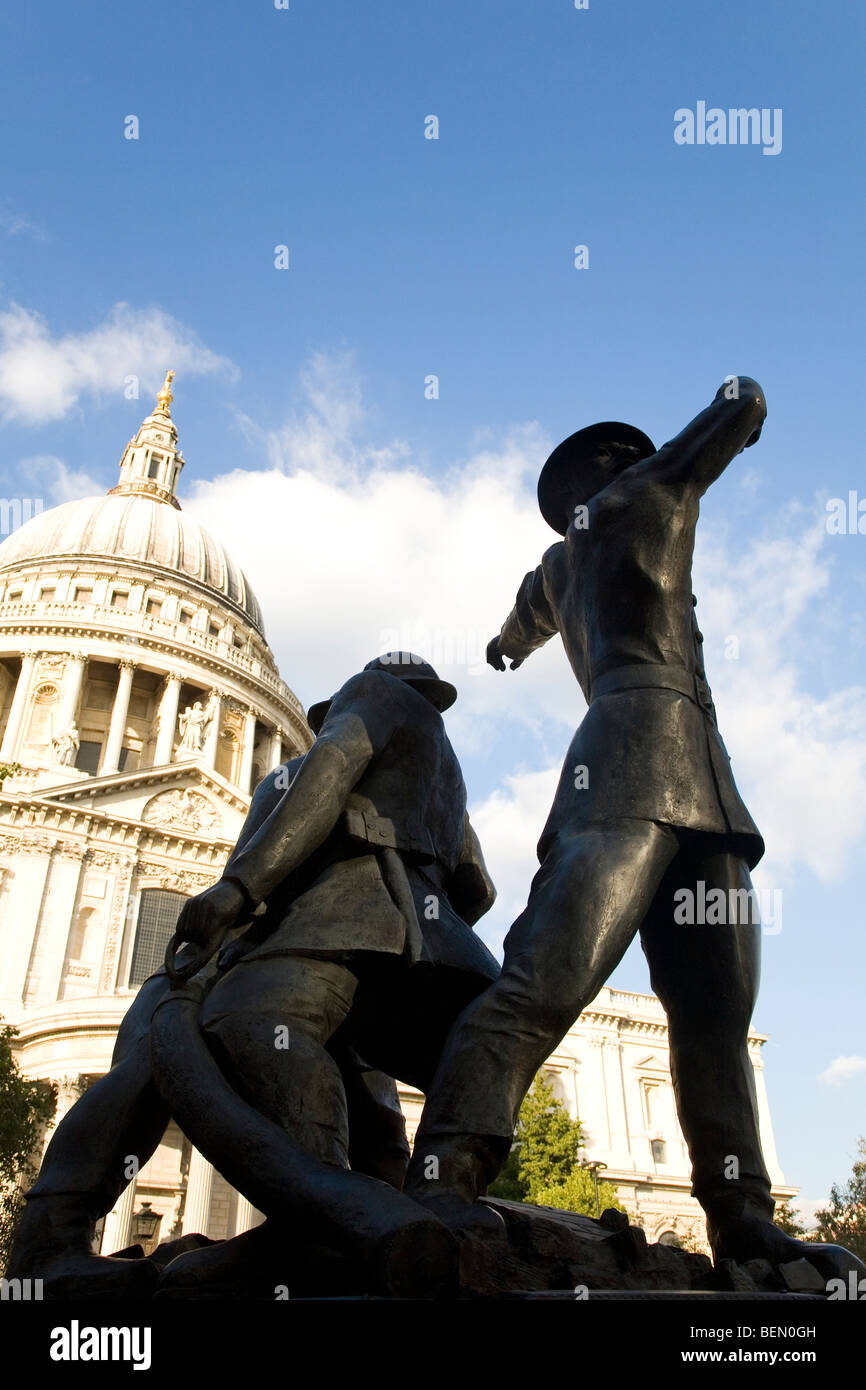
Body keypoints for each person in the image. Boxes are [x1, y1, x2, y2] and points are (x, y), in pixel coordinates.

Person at [405, 378, 863, 1280]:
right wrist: (743, 402)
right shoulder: (650, 491)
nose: (639, 460)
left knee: (698, 1010)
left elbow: (512, 634)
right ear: (610, 468)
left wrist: (504, 647)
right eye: (629, 452)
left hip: (687, 775)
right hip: (641, 761)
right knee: (639, 999)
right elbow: (742, 409)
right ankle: (443, 1178)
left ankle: (737, 1221)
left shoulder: (552, 569)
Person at [8, 654, 499, 1298]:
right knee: (371, 1115)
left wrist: (236, 892)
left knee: (165, 1042)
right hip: (373, 961)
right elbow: (478, 888)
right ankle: (341, 1228)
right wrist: (417, 923)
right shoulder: (445, 782)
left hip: (290, 939)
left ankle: (54, 1238)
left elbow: (324, 779)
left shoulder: (337, 735)